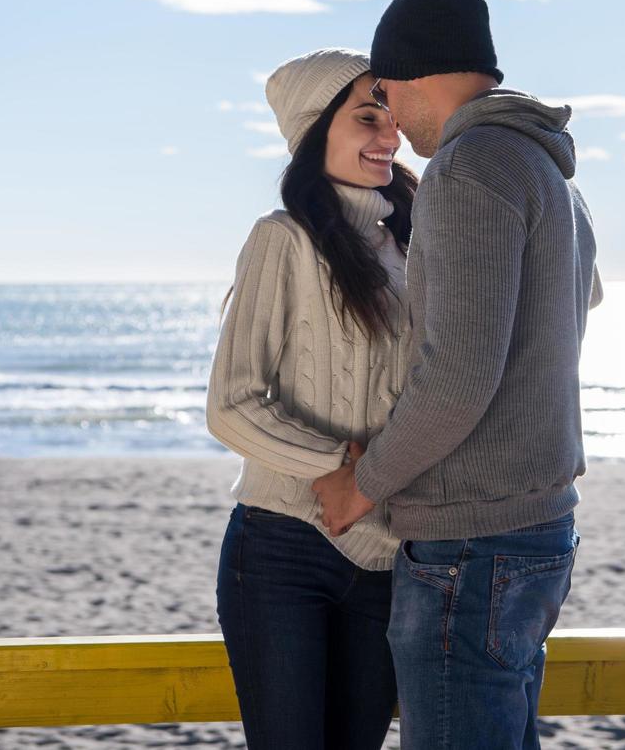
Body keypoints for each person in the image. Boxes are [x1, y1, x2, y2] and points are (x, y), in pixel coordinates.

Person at [313, 0, 603, 750]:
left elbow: (457, 376)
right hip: (538, 528)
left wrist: (359, 486)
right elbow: (571, 312)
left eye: (388, 95)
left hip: (473, 544)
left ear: (413, 77)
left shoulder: (469, 167)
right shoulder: (546, 170)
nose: (395, 125)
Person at [207, 48, 415, 750]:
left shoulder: (417, 243)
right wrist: (336, 465)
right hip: (282, 551)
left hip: (392, 560)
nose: (388, 133)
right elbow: (230, 403)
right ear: (311, 131)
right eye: (365, 117)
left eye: (390, 114)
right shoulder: (282, 239)